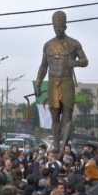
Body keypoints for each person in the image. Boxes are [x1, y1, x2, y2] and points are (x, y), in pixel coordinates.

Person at [35, 10, 88, 153]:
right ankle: (57, 146)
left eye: (60, 27)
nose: (57, 29)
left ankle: (64, 144)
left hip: (67, 82)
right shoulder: (47, 45)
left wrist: (75, 63)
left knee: (67, 116)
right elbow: (43, 66)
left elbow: (85, 61)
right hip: (53, 83)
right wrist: (38, 84)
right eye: (55, 27)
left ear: (65, 27)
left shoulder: (74, 43)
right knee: (54, 117)